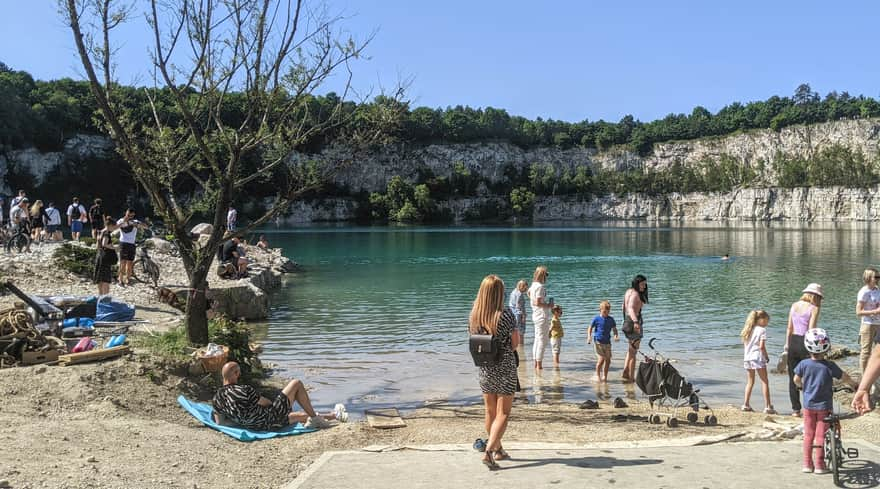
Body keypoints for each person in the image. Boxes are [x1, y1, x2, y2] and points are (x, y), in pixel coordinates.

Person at [468, 275, 519, 471]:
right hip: (504, 366)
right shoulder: (505, 314)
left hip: (484, 366)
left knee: (490, 411)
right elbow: (515, 343)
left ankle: (498, 449)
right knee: (503, 412)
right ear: (499, 293)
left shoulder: (474, 314)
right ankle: (490, 452)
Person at [212, 361, 346, 431]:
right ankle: (316, 418)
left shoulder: (216, 399)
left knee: (294, 416)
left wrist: (242, 420)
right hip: (269, 419)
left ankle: (334, 415)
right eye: (238, 373)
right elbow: (266, 403)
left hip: (255, 425)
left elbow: (221, 422)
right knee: (296, 383)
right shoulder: (244, 389)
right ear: (236, 374)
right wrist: (276, 403)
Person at [794, 328, 857, 474]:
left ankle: (807, 465)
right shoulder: (830, 366)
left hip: (808, 406)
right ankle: (820, 465)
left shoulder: (804, 364)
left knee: (809, 434)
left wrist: (802, 387)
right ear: (827, 346)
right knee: (820, 435)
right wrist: (854, 385)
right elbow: (844, 377)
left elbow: (796, 379)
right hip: (824, 407)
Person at [786, 283, 823, 417]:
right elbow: (811, 329)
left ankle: (796, 410)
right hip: (805, 342)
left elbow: (789, 328)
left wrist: (787, 345)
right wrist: (814, 348)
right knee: (809, 377)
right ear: (815, 296)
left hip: (793, 342)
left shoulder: (794, 305)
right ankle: (810, 408)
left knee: (793, 377)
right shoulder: (814, 308)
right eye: (819, 297)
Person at [740, 309, 775, 414]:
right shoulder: (762, 330)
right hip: (758, 357)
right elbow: (762, 347)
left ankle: (746, 404)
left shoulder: (748, 329)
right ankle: (768, 406)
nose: (767, 323)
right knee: (765, 381)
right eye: (766, 321)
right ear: (761, 319)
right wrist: (767, 357)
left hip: (747, 358)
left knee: (750, 382)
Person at [856, 267, 880, 395]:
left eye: (878, 277)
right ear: (868, 278)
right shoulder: (864, 292)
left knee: (878, 353)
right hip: (868, 324)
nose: (877, 279)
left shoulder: (877, 290)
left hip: (878, 324)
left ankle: (874, 379)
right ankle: (865, 380)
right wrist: (874, 312)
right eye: (875, 277)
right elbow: (858, 312)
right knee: (866, 352)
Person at [622, 274, 648, 382]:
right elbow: (631, 308)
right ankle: (631, 378)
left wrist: (626, 319)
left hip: (628, 321)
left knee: (630, 349)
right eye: (642, 284)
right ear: (637, 283)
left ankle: (625, 372)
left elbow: (623, 306)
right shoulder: (636, 294)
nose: (644, 286)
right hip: (634, 322)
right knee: (634, 352)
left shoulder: (628, 291)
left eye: (645, 284)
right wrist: (636, 322)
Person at [588, 300, 619, 382]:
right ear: (600, 310)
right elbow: (590, 328)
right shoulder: (596, 319)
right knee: (601, 359)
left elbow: (615, 329)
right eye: (605, 311)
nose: (606, 313)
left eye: (608, 311)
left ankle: (605, 376)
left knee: (608, 360)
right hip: (598, 342)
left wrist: (616, 335)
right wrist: (589, 337)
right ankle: (597, 375)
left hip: (607, 343)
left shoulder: (611, 319)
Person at [528, 266, 552, 371]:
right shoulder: (540, 287)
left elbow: (529, 294)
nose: (546, 277)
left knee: (537, 339)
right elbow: (538, 302)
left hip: (535, 315)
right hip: (542, 316)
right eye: (546, 275)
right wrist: (549, 305)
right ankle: (539, 364)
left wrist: (533, 302)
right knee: (543, 340)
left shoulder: (533, 285)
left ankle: (536, 363)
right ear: (542, 275)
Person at [115, 209, 147, 286]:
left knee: (130, 263)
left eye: (132, 215)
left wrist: (138, 224)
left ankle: (128, 279)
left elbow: (146, 227)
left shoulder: (135, 221)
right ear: (126, 214)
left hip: (132, 244)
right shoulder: (121, 220)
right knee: (123, 263)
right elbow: (115, 227)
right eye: (128, 215)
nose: (130, 217)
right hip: (123, 243)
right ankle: (120, 279)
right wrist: (124, 221)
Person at [93, 217, 119, 295]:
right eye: (114, 227)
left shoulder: (100, 232)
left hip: (99, 255)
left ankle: (100, 296)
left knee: (99, 278)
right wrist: (115, 247)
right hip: (105, 258)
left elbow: (98, 245)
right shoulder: (106, 233)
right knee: (106, 279)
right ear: (110, 225)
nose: (114, 229)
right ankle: (106, 297)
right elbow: (104, 244)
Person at [508, 279, 527, 360]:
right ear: (522, 287)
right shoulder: (520, 295)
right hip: (519, 314)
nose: (526, 289)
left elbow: (512, 305)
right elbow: (519, 306)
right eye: (525, 288)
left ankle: (518, 349)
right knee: (521, 332)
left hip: (513, 314)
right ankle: (521, 346)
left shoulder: (513, 292)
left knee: (515, 331)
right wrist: (523, 315)